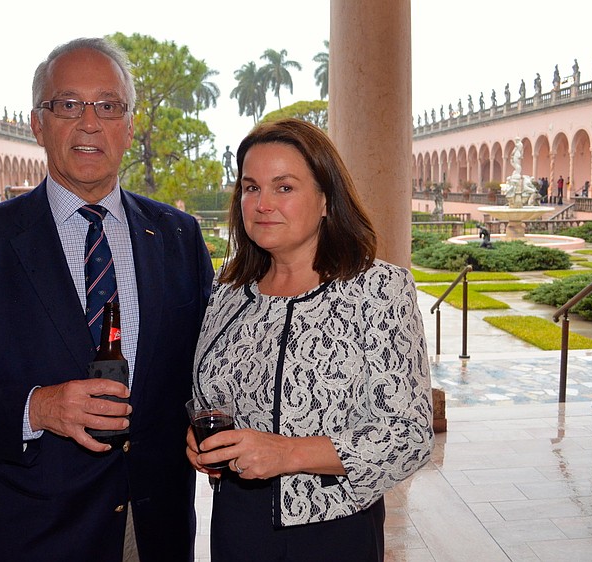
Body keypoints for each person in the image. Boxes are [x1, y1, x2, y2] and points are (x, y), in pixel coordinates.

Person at [0, 37, 214, 561]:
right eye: (68, 104)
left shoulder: (179, 237)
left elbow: (208, 368)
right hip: (42, 533)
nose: (90, 122)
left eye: (109, 106)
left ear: (129, 126)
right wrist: (37, 408)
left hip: (158, 526)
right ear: (37, 124)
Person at [186, 118, 434, 562]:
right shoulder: (227, 293)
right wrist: (200, 440)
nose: (262, 204)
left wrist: (287, 453)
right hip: (236, 525)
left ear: (324, 199)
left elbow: (409, 436)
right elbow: (211, 398)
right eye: (250, 187)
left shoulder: (377, 290)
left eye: (284, 188)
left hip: (333, 533)